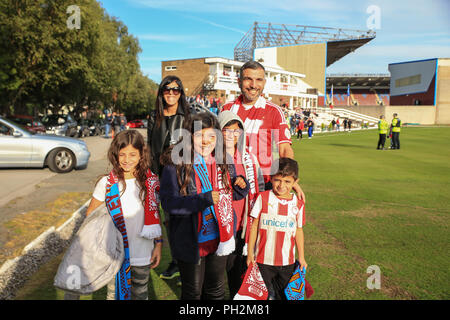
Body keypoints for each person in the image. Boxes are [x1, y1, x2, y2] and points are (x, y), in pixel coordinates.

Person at [159, 112, 249, 300]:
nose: (206, 141)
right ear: (189, 136)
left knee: (216, 290)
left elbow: (232, 192)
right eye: (200, 135)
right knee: (193, 293)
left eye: (211, 136)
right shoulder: (175, 164)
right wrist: (202, 200)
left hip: (220, 238)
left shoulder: (223, 160)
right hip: (191, 241)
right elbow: (168, 203)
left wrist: (241, 185)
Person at [68, 130, 162, 300]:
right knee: (114, 294)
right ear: (115, 155)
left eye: (133, 154)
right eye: (122, 154)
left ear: (142, 155)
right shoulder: (106, 183)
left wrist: (159, 244)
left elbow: (156, 216)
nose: (127, 160)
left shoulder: (151, 182)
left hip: (142, 251)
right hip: (114, 254)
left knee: (140, 294)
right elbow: (91, 215)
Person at [221, 60, 305, 200]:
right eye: (248, 79)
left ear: (264, 82)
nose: (254, 85)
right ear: (239, 81)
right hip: (232, 182)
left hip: (262, 185)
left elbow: (284, 149)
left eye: (258, 80)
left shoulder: (274, 111)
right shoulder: (227, 109)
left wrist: (288, 178)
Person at [147, 75, 193, 280]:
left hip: (184, 175)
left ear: (181, 93)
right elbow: (150, 148)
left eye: (176, 90)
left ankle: (189, 264)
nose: (172, 93)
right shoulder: (153, 117)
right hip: (162, 176)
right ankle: (176, 261)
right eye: (167, 90)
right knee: (169, 221)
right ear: (161, 92)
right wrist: (150, 175)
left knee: (186, 220)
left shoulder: (189, 116)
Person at [218, 110, 265, 298]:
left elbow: (260, 188)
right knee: (215, 279)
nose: (231, 135)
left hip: (243, 228)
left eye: (236, 131)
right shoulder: (212, 157)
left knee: (236, 275)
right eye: (226, 130)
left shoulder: (249, 158)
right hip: (220, 227)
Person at [246, 158, 306, 300]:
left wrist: (302, 257)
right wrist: (250, 254)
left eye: (287, 182)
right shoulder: (262, 198)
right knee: (263, 296)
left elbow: (298, 231)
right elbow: (254, 226)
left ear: (295, 182)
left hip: (287, 261)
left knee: (283, 296)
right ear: (271, 178)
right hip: (263, 260)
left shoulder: (298, 204)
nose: (281, 185)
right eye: (277, 180)